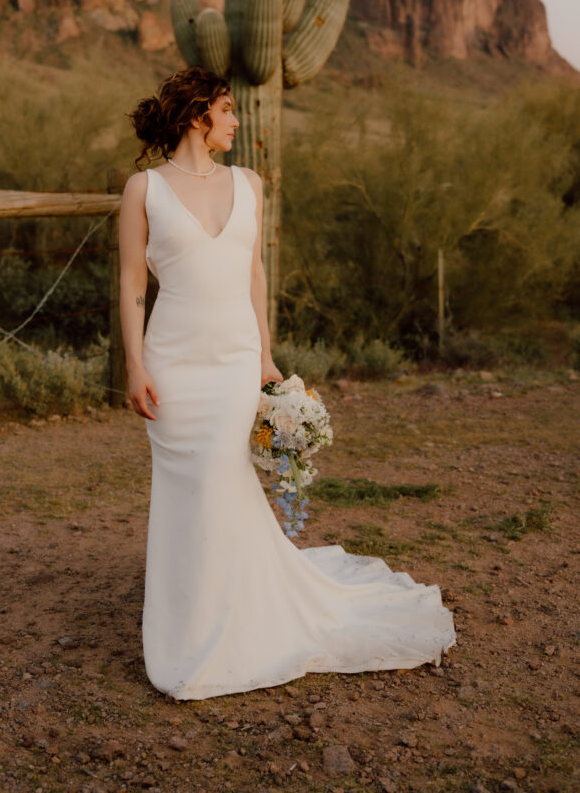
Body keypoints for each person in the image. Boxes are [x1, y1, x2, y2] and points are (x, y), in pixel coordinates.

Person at [119, 65, 456, 701]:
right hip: (172, 363)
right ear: (198, 116)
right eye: (227, 109)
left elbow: (255, 277)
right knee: (188, 488)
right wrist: (135, 365)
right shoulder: (143, 191)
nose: (237, 120)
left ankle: (240, 615)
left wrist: (267, 358)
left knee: (224, 474)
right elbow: (133, 283)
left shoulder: (248, 183)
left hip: (235, 359)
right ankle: (192, 616)